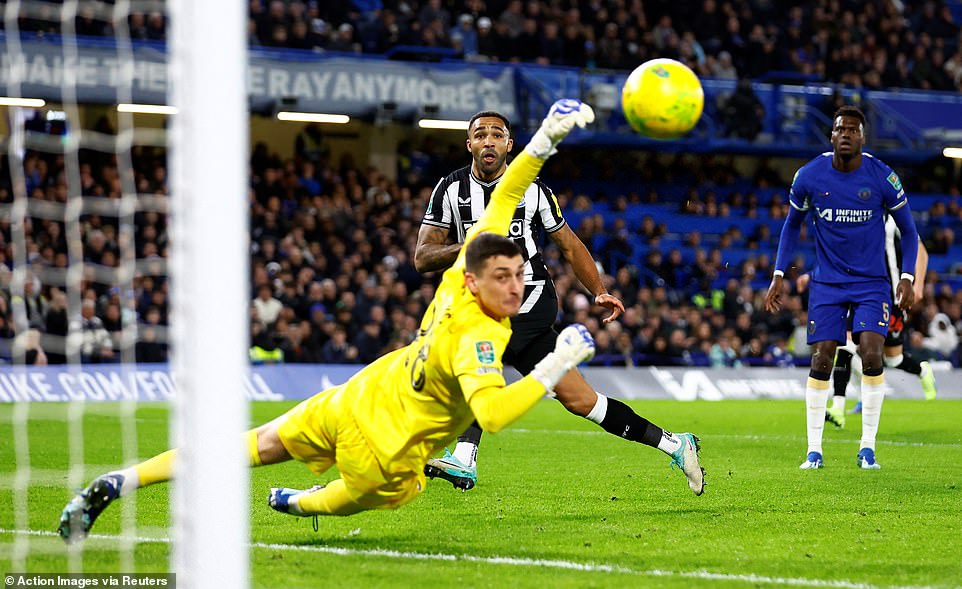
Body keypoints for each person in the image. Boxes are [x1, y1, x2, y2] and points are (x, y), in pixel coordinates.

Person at [56, 100, 686, 544]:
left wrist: (548, 136)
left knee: (247, 448)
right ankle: (308, 500)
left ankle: (127, 477)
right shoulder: (485, 338)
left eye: (521, 275)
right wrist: (560, 355)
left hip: (356, 391)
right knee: (388, 490)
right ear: (486, 280)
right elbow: (494, 411)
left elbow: (506, 195)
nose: (520, 281)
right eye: (513, 277)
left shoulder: (453, 287)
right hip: (384, 444)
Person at [415, 108, 705, 495]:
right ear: (469, 144)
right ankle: (674, 443)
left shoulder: (533, 190)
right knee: (583, 401)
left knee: (476, 352)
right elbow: (422, 257)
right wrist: (468, 247)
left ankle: (465, 458)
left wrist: (598, 290)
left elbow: (569, 244)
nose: (488, 141)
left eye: (497, 135)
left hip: (531, 297)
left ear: (509, 145)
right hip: (483, 302)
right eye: (480, 135)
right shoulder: (450, 190)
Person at [765, 105, 920, 470]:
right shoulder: (809, 176)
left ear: (862, 138)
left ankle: (867, 447)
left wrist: (908, 278)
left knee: (870, 353)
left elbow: (910, 232)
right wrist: (777, 274)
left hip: (871, 283)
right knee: (822, 357)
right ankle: (814, 451)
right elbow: (791, 226)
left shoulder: (882, 177)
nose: (846, 134)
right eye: (840, 129)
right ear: (831, 136)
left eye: (853, 130)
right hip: (827, 283)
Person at [798, 224, 937, 429]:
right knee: (845, 345)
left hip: (893, 299)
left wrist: (917, 285)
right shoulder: (859, 216)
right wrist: (812, 275)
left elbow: (921, 251)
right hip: (862, 295)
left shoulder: (893, 218)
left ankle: (922, 370)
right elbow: (843, 256)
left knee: (894, 358)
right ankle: (838, 407)